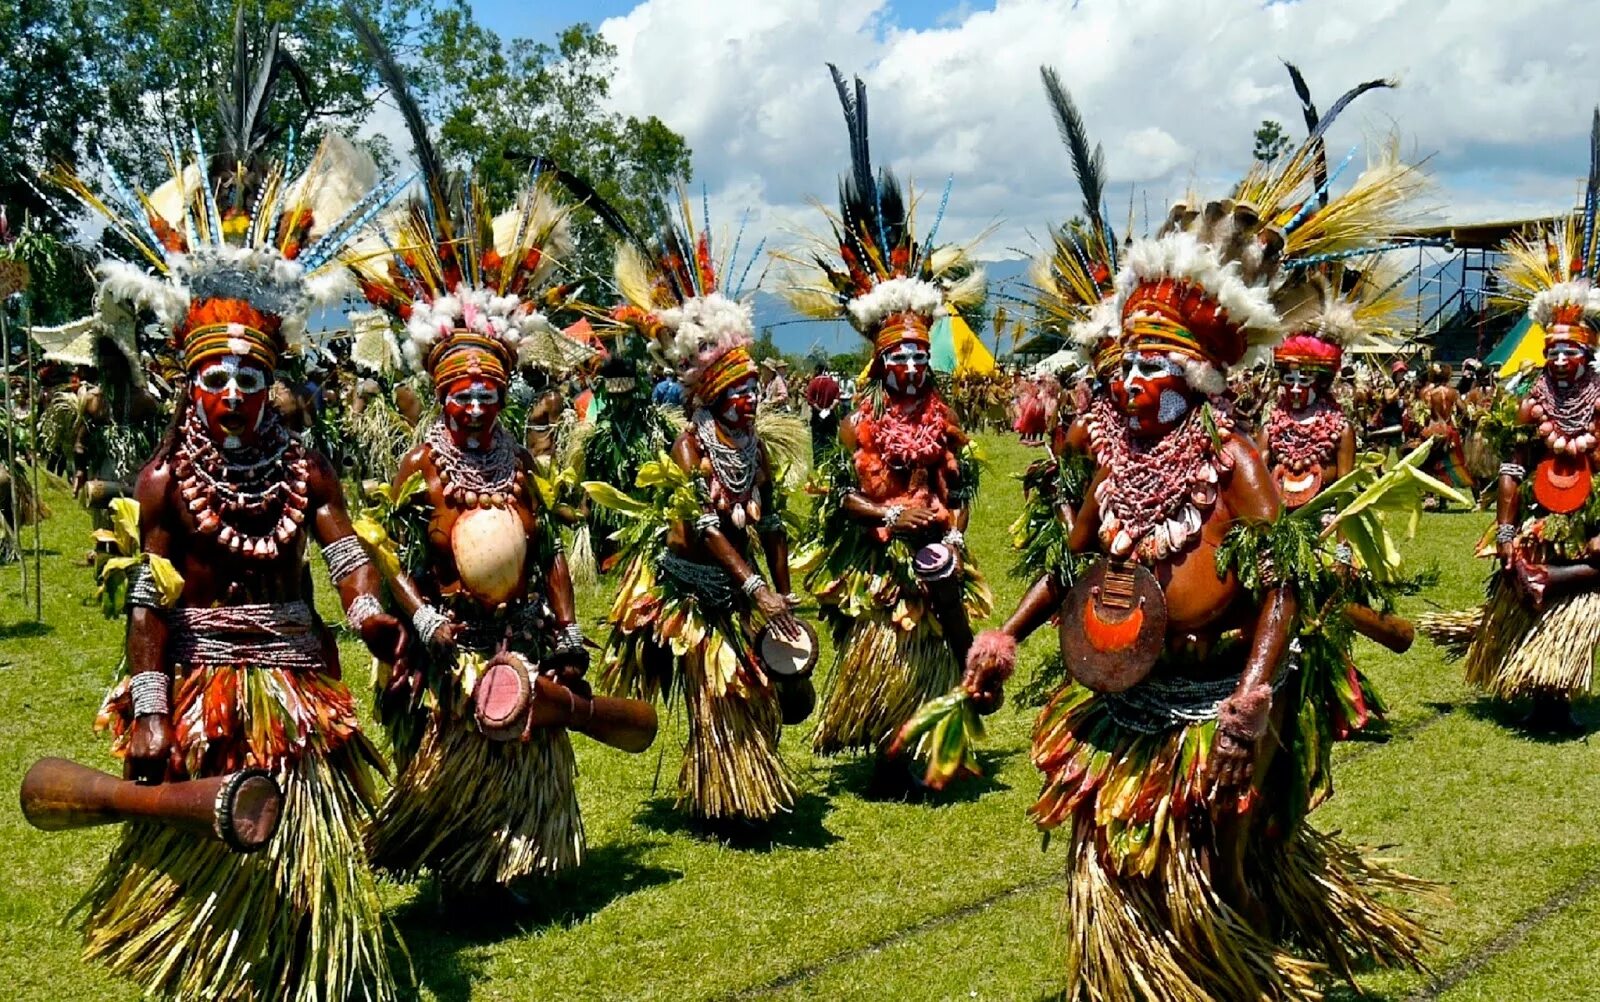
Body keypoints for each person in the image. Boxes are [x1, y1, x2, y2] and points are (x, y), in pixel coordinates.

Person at [963, 130, 1432, 1000]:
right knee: (1111, 854)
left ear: (1198, 378)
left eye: (1152, 366)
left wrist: (1253, 697)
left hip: (1216, 699)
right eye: (1126, 364)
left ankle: (1221, 962)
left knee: (1216, 858)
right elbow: (1069, 573)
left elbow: (1280, 585)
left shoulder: (1234, 465)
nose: (1131, 383)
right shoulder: (1112, 464)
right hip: (1122, 689)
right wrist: (1006, 632)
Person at [56, 70, 413, 998]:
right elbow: (150, 596)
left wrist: (370, 610)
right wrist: (145, 705)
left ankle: (299, 949)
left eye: (252, 381)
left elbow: (341, 548)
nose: (235, 398)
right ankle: (223, 954)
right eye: (217, 380)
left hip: (296, 679)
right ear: (190, 384)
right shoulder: (165, 481)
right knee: (219, 815)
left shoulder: (306, 470)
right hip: (207, 683)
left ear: (272, 383)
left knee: (298, 816)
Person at [346, 64, 601, 892]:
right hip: (448, 636)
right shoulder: (419, 465)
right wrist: (417, 622)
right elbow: (382, 553)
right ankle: (460, 854)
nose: (477, 408)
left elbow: (552, 547)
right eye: (462, 396)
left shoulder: (521, 464)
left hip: (520, 628)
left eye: (490, 394)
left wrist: (562, 626)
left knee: (526, 738)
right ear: (440, 395)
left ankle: (518, 854)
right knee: (458, 741)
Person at [787, 66, 990, 789]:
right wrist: (885, 512)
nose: (909, 364)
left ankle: (939, 743)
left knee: (936, 646)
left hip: (939, 551)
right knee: (888, 646)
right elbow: (834, 494)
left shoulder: (944, 415)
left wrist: (954, 528)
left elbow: (958, 481)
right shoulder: (859, 419)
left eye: (917, 353)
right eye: (896, 355)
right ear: (879, 359)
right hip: (883, 558)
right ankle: (889, 740)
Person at [594, 202, 810, 828]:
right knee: (720, 692)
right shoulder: (690, 446)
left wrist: (784, 595)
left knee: (761, 687)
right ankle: (728, 796)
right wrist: (754, 589)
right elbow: (708, 526)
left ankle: (744, 785)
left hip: (747, 588)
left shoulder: (757, 449)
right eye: (736, 393)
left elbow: (769, 525)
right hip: (698, 586)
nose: (747, 400)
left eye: (750, 391)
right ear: (712, 395)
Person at [1465, 146, 1600, 731]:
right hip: (1541, 513)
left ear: (1589, 353)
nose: (1560, 359)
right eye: (1552, 350)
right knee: (1522, 582)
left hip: (1587, 514)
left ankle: (1558, 689)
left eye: (1570, 350)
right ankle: (1535, 682)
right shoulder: (1528, 403)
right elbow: (1513, 469)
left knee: (1577, 584)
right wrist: (1505, 528)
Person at [803, 360, 841, 465]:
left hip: (817, 416)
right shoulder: (833, 383)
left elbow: (810, 399)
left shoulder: (813, 383)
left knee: (818, 440)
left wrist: (819, 409)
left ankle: (818, 463)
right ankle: (830, 462)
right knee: (830, 439)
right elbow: (837, 399)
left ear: (817, 370)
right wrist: (830, 409)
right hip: (830, 415)